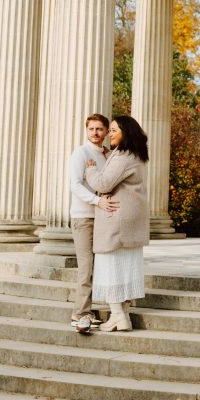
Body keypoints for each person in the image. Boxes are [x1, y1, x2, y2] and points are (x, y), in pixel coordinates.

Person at [84, 115, 149, 332]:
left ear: (125, 132)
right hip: (130, 220)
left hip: (117, 219)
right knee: (123, 268)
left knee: (109, 266)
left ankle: (118, 315)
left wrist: (91, 168)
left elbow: (103, 184)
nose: (109, 134)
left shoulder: (123, 156)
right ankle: (122, 316)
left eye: (113, 130)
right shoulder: (135, 155)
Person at [69, 113, 119, 334]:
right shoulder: (81, 153)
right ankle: (80, 314)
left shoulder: (108, 155)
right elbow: (76, 185)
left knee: (102, 266)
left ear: (107, 132)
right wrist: (98, 201)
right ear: (86, 131)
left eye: (100, 129)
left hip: (102, 218)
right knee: (86, 268)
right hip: (83, 216)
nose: (95, 133)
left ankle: (92, 311)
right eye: (91, 129)